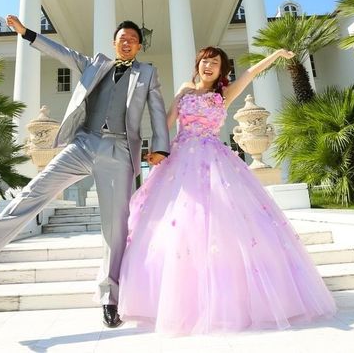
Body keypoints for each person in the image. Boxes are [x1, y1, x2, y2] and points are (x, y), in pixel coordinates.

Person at [0, 15, 169, 329]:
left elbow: (157, 109)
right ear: (114, 43)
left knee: (114, 229)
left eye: (132, 39)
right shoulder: (96, 64)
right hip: (85, 142)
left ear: (139, 46)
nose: (127, 42)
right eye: (122, 38)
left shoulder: (147, 73)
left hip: (118, 151)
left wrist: (161, 146)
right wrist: (27, 34)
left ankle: (110, 299)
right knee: (37, 189)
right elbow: (62, 53)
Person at [118, 46, 336, 335]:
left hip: (215, 162)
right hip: (179, 161)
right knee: (177, 227)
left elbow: (252, 73)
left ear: (222, 70)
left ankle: (227, 301)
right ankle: (177, 301)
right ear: (198, 64)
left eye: (215, 63)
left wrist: (274, 56)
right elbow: (167, 121)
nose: (209, 66)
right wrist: (157, 148)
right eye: (205, 61)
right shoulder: (184, 90)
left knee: (223, 226)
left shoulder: (224, 94)